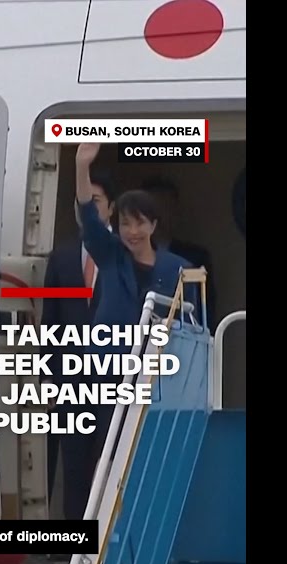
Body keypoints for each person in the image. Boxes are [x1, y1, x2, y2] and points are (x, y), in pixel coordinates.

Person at [73, 144, 199, 469]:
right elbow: (89, 217)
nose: (132, 232)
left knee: (152, 460)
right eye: (125, 223)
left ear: (153, 226)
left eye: (140, 223)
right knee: (108, 459)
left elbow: (193, 330)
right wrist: (81, 166)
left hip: (159, 383)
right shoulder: (111, 255)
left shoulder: (179, 269)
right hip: (110, 376)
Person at [42, 170, 118, 522]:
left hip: (114, 381)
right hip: (70, 384)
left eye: (95, 201)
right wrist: (48, 380)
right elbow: (51, 324)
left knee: (112, 466)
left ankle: (109, 538)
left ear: (111, 208)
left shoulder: (123, 254)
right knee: (74, 470)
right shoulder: (62, 257)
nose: (86, 207)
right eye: (81, 202)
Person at [142, 176, 220, 334]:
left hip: (183, 337)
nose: (160, 215)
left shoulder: (195, 257)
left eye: (165, 207)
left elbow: (205, 309)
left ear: (176, 211)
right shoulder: (129, 256)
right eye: (154, 208)